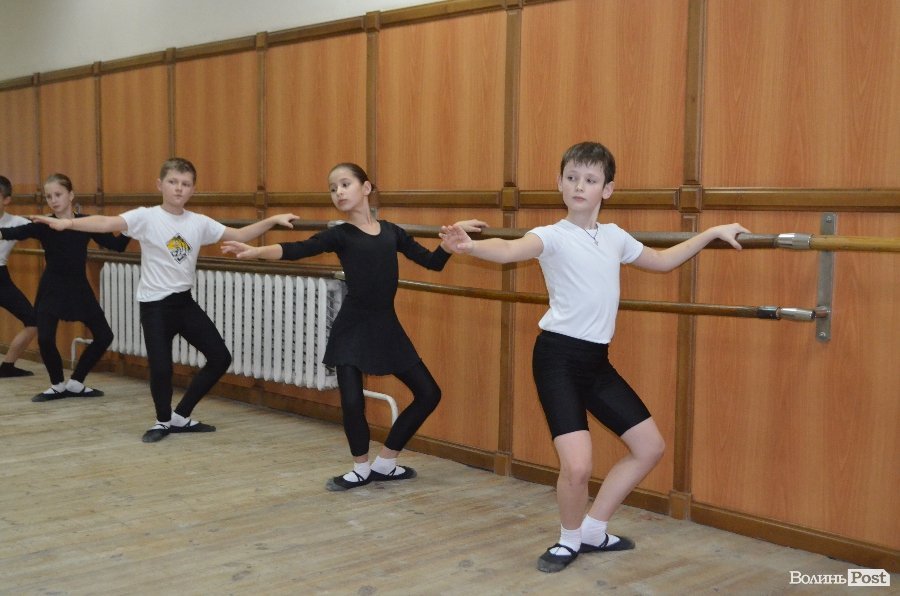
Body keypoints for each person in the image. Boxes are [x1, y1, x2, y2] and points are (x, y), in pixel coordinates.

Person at [439, 141, 749, 573]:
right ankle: (568, 539)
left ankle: (594, 529)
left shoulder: (615, 237)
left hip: (596, 362)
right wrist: (471, 248)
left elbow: (661, 261)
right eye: (571, 178)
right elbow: (509, 250)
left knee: (649, 447)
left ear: (607, 189)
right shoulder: (551, 236)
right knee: (578, 466)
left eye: (589, 179)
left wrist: (711, 232)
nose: (579, 186)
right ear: (559, 184)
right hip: (557, 360)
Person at [222, 162, 487, 491]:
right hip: (351, 326)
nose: (338, 192)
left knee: (429, 393)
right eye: (333, 188)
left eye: (345, 184)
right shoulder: (340, 235)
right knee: (351, 402)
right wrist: (256, 251)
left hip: (386, 326)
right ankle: (360, 468)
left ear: (366, 188)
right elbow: (297, 249)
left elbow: (432, 262)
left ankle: (386, 463)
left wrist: (450, 242)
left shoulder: (392, 232)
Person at [32, 158, 298, 443]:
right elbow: (107, 222)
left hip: (184, 303)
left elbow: (241, 234)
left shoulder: (199, 222)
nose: (179, 188)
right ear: (160, 185)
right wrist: (69, 223)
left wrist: (272, 219)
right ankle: (162, 421)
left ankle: (180, 417)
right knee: (161, 368)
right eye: (173, 182)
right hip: (155, 307)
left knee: (220, 357)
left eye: (185, 184)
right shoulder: (146, 217)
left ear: (193, 189)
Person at [1, 173, 131, 399]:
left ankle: (76, 382)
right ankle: (57, 385)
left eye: (58, 194)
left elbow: (117, 245)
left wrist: (131, 226)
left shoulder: (86, 223)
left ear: (71, 195)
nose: (53, 200)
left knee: (104, 336)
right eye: (49, 196)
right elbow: (12, 232)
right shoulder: (44, 224)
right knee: (45, 338)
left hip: (78, 288)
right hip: (51, 288)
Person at [0, 175, 38, 378]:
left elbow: (41, 227)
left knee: (33, 321)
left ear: (6, 199)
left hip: (1, 278)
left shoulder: (16, 222)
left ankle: (7, 366)